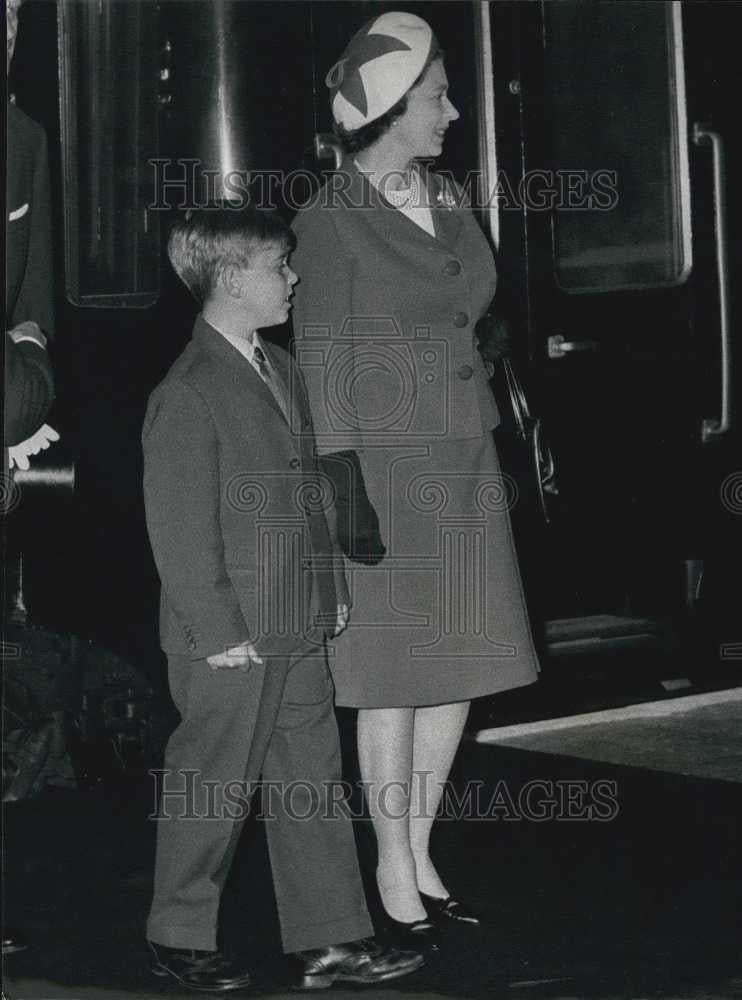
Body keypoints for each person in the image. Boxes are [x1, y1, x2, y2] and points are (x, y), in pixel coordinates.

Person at [291, 11, 540, 952]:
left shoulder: (447, 195)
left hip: (462, 461)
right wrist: (343, 496)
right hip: (383, 476)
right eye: (438, 95)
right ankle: (390, 865)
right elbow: (319, 361)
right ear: (393, 109)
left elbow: (472, 311)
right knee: (389, 678)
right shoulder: (327, 221)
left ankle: (422, 847)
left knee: (459, 670)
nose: (454, 111)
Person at [142, 205, 424, 991]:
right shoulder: (189, 390)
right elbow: (179, 527)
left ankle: (330, 938)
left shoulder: (279, 369)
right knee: (213, 782)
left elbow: (313, 495)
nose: (293, 278)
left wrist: (330, 588)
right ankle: (177, 933)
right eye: (280, 266)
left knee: (308, 778)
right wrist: (217, 629)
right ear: (232, 279)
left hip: (296, 619)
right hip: (230, 636)